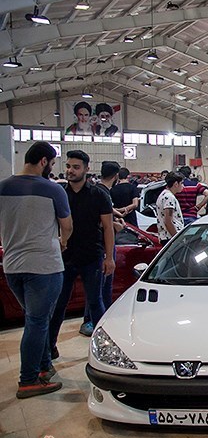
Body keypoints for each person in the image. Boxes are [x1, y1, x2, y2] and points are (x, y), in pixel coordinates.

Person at [0, 142, 73, 399]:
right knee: (37, 321)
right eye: (52, 163)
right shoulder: (52, 189)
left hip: (12, 267)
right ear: (44, 161)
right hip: (44, 266)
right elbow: (67, 226)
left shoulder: (3, 187)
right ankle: (28, 379)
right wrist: (62, 243)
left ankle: (44, 367)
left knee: (36, 319)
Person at [49, 150, 115, 359]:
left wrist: (109, 257)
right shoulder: (60, 194)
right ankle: (49, 348)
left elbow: (108, 227)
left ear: (87, 169)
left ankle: (104, 350)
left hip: (91, 257)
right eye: (68, 166)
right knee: (59, 305)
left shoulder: (99, 195)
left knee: (95, 303)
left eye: (76, 167)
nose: (70, 171)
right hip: (64, 257)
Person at [79, 160, 126, 337]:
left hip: (96, 246)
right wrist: (115, 226)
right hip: (103, 246)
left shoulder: (97, 191)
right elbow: (100, 223)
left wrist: (117, 212)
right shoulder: (103, 193)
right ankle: (97, 323)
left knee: (96, 288)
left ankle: (93, 321)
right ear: (116, 176)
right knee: (101, 288)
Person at [155, 171, 185, 242]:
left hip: (166, 236)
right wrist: (176, 238)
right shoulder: (169, 197)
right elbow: (168, 221)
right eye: (182, 183)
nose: (183, 186)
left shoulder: (163, 194)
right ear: (176, 184)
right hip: (169, 237)